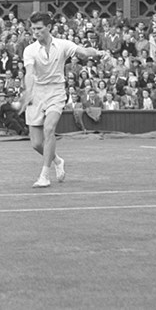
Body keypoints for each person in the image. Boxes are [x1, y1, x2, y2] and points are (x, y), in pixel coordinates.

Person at [20, 12, 101, 188]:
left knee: (49, 129)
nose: (36, 32)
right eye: (33, 29)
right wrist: (28, 91)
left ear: (49, 28)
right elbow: (29, 73)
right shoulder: (29, 50)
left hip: (56, 92)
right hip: (37, 93)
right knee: (35, 143)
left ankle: (44, 175)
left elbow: (84, 52)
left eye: (39, 28)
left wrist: (97, 52)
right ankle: (57, 160)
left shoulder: (63, 45)